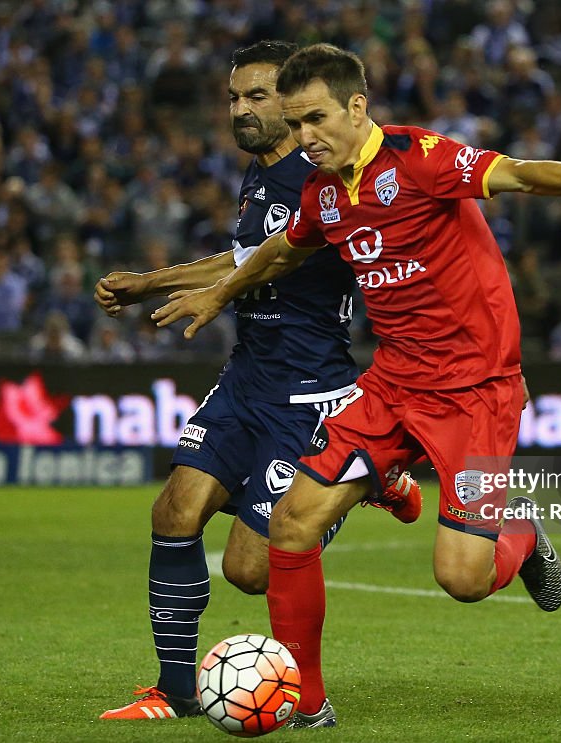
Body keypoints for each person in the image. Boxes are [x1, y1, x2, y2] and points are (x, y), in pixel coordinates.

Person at [151, 43, 561, 728]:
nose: (304, 137)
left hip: (476, 392)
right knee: (292, 522)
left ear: (357, 106)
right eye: (296, 123)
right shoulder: (325, 193)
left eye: (314, 120)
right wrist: (220, 292)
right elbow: (284, 249)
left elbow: (517, 173)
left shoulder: (420, 158)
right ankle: (308, 704)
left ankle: (518, 528)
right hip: (393, 382)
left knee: (462, 578)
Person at [94, 41, 421, 722]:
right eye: (234, 98)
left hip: (308, 394)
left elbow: (265, 263)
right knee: (174, 510)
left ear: (295, 101)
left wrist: (159, 282)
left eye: (258, 97)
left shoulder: (322, 176)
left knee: (250, 568)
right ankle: (175, 689)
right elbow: (243, 252)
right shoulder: (259, 171)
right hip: (247, 378)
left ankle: (365, 479)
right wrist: (151, 284)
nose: (241, 110)